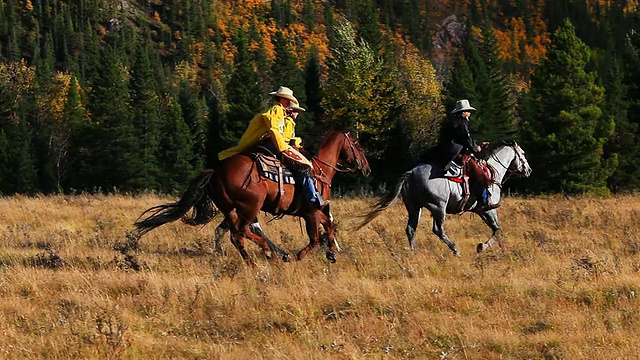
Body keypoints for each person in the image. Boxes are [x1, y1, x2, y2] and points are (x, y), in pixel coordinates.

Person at [218, 86, 325, 209]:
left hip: (272, 142)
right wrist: (283, 148)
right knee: (303, 166)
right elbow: (275, 130)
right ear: (285, 99)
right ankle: (313, 197)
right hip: (274, 144)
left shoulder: (282, 114)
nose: (296, 112)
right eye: (294, 109)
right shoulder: (277, 110)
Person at [439, 99, 494, 211]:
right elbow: (465, 139)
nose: (469, 113)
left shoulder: (454, 122)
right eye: (468, 111)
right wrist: (476, 147)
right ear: (463, 112)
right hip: (456, 152)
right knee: (480, 173)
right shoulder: (462, 122)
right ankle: (482, 201)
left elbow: (464, 138)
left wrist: (477, 143)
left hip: (449, 150)